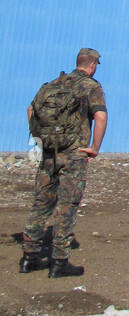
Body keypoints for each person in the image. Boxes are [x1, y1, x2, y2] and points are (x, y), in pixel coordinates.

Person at [20, 48, 107, 279]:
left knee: (41, 203)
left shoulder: (53, 84)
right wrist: (95, 148)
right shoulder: (91, 87)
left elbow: (31, 110)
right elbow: (100, 116)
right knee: (66, 206)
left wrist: (40, 140)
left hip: (49, 153)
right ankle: (59, 262)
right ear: (92, 65)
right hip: (74, 154)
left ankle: (29, 258)